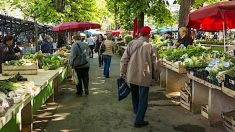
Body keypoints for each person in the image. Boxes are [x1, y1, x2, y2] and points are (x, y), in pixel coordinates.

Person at [120, 26, 158, 128]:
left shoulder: (132, 43)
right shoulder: (151, 46)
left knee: (135, 94)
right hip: (144, 75)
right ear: (149, 34)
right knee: (143, 98)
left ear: (141, 34)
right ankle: (139, 120)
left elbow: (124, 59)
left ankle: (137, 111)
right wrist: (155, 77)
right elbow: (155, 64)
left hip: (131, 74)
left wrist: (122, 72)